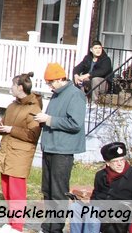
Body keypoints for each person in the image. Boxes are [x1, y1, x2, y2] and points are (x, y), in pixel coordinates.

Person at [34, 62, 86, 233]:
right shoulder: (56, 95)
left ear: (60, 79)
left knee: (58, 192)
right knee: (47, 191)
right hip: (50, 147)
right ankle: (47, 226)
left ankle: (55, 228)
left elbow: (75, 123)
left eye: (50, 82)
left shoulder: (75, 95)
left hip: (63, 150)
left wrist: (49, 120)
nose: (49, 86)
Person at [0, 72, 43, 233]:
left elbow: (32, 135)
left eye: (13, 85)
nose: (11, 87)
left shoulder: (34, 108)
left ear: (20, 87)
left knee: (17, 192)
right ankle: (10, 222)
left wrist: (11, 129)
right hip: (6, 151)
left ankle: (17, 226)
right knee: (6, 189)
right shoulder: (12, 105)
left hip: (21, 154)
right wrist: (1, 128)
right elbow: (7, 126)